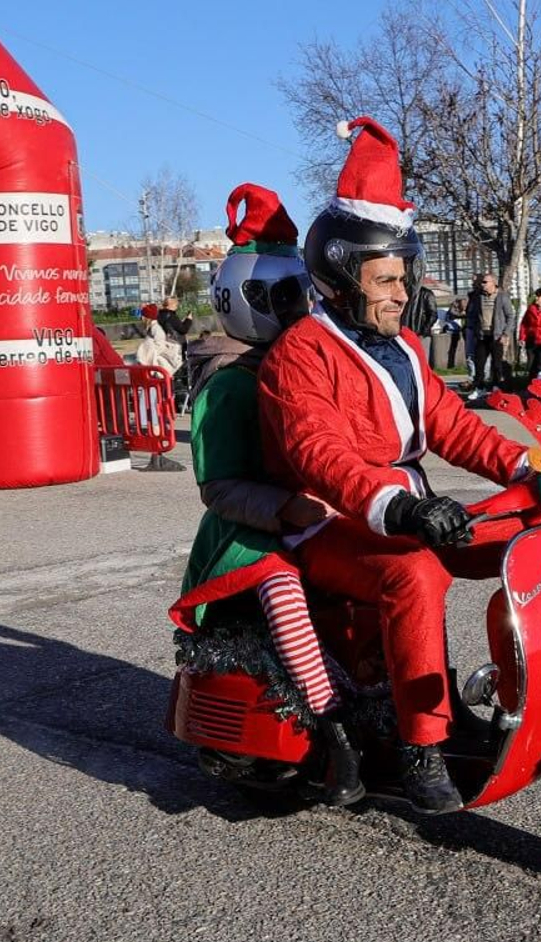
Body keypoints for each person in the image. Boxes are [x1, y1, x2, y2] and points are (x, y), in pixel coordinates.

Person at [258, 117, 535, 814]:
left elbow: (454, 428)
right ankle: (421, 749)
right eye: (386, 278)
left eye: (403, 277)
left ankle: (531, 695)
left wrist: (532, 471)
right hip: (330, 525)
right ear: (343, 277)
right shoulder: (301, 354)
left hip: (408, 510)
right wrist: (401, 508)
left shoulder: (405, 347)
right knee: (414, 572)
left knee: (529, 540)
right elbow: (319, 456)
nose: (400, 292)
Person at [171, 184, 363, 806]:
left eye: (304, 293)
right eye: (285, 296)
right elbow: (218, 486)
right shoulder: (228, 386)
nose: (300, 307)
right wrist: (282, 507)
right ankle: (335, 724)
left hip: (310, 508)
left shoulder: (307, 361)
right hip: (247, 532)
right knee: (282, 584)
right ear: (244, 297)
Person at [464, 272, 514, 398]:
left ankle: (496, 388)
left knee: (497, 364)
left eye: (485, 282)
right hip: (482, 335)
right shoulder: (478, 297)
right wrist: (474, 329)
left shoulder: (502, 297)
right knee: (479, 363)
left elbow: (510, 316)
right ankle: (480, 388)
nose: (483, 284)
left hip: (496, 336)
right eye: (482, 282)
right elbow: (472, 315)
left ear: (494, 283)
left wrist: (505, 334)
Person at [444, 296, 467, 369]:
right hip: (453, 330)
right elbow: (453, 314)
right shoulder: (453, 308)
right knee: (452, 348)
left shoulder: (460, 308)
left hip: (460, 329)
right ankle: (450, 364)